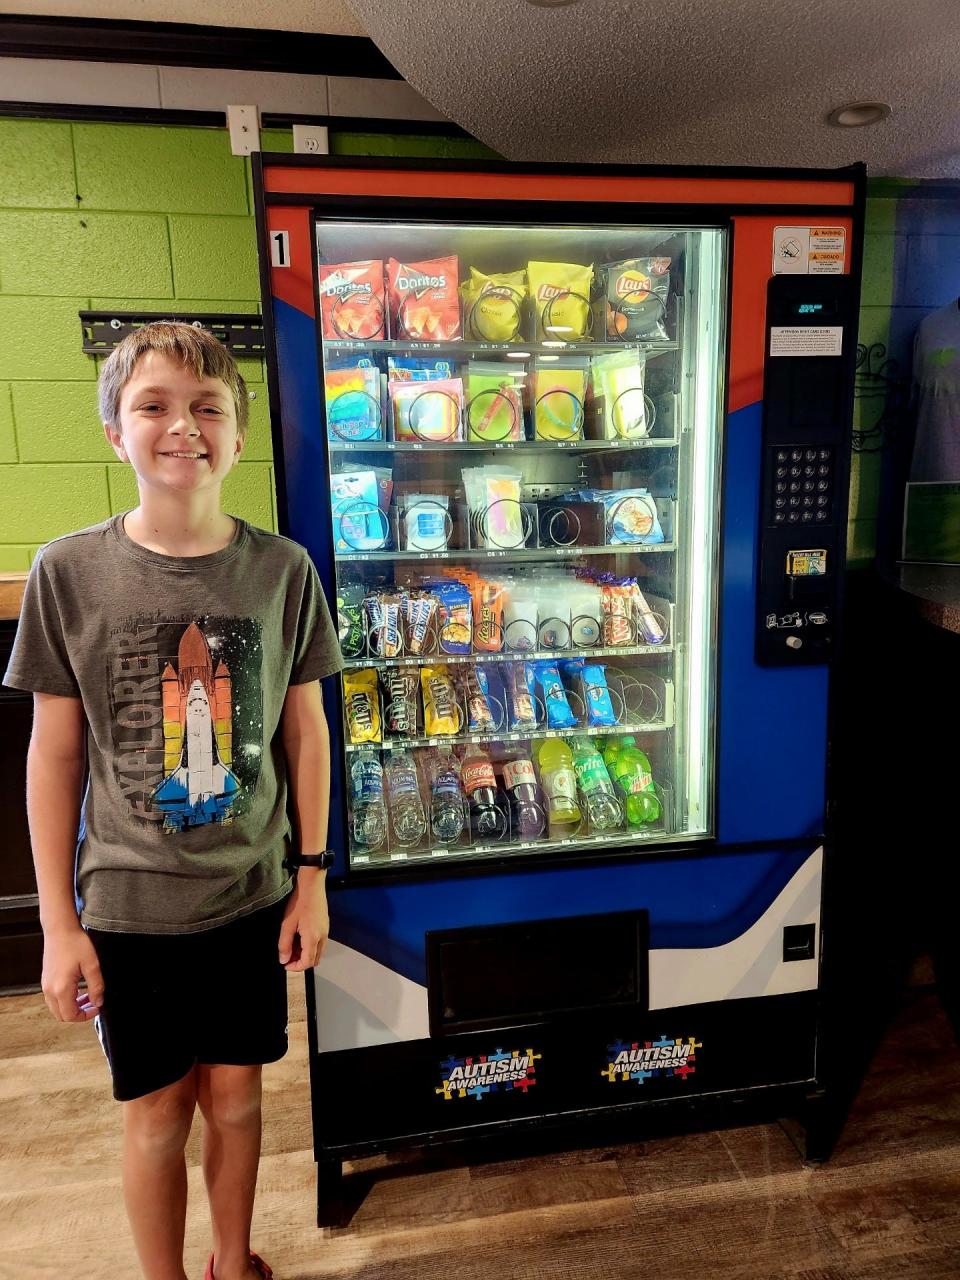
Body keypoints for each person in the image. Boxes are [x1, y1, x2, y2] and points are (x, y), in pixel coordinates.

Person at [2, 322, 343, 1280]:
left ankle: (232, 1263)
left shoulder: (282, 572)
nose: (181, 426)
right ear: (115, 430)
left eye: (207, 407)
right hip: (128, 907)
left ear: (238, 434)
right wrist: (58, 927)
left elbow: (307, 734)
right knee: (157, 1109)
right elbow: (53, 756)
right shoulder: (68, 573)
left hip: (250, 896)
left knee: (237, 1098)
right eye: (152, 405)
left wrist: (309, 880)